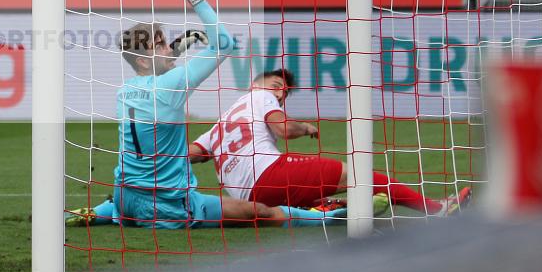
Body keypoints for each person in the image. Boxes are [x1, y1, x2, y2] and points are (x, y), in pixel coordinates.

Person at [94, 0, 347, 230]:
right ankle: (326, 217)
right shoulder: (171, 86)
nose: (169, 49)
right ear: (143, 61)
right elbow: (224, 43)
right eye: (161, 45)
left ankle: (99, 211)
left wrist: (177, 48)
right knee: (258, 212)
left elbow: (155, 73)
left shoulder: (126, 91)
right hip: (166, 204)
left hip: (125, 197)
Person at [188, 68, 472, 216]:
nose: (279, 95)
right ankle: (436, 209)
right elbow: (284, 128)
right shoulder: (260, 96)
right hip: (267, 176)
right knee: (357, 172)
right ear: (255, 84)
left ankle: (328, 207)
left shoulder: (219, 123)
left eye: (283, 94)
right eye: (276, 87)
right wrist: (306, 127)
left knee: (315, 186)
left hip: (246, 200)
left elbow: (190, 153)